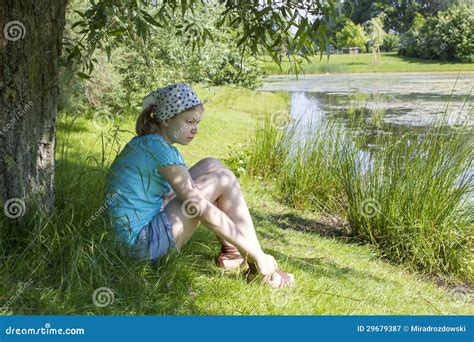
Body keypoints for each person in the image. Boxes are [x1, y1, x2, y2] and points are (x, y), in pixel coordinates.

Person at [105, 84, 294, 288]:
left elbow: (164, 195)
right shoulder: (161, 151)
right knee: (223, 178)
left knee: (211, 164)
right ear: (167, 119)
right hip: (139, 247)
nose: (195, 129)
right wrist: (257, 253)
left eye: (197, 122)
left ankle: (233, 254)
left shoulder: (147, 142)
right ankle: (259, 267)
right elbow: (198, 207)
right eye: (188, 122)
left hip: (129, 239)